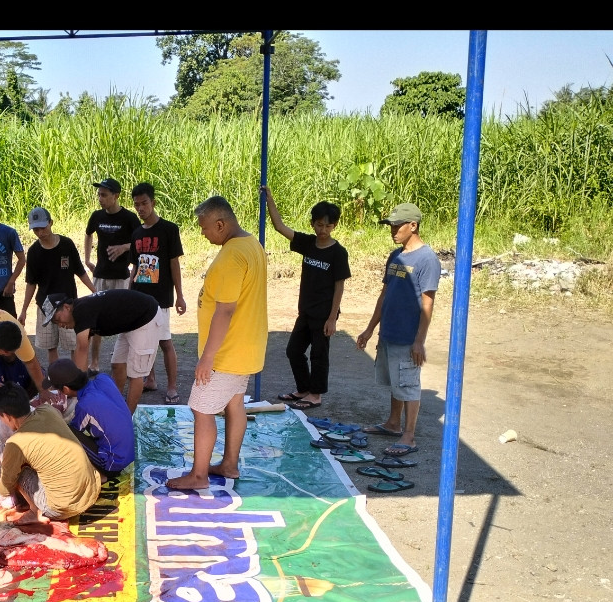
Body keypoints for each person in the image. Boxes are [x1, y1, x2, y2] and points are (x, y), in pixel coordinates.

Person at [166, 197, 267, 494]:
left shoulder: (232, 256)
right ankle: (229, 463)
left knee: (201, 409)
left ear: (220, 224)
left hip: (226, 353)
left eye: (204, 227)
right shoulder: (252, 245)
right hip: (245, 349)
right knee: (235, 404)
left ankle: (199, 475)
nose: (202, 233)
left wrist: (207, 358)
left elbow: (224, 310)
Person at [356, 205, 442, 444]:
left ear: (413, 225)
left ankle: (409, 435)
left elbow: (427, 303)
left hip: (407, 336)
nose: (393, 231)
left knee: (408, 383)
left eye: (397, 226)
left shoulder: (427, 259)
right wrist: (371, 328)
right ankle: (393, 424)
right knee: (396, 381)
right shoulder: (395, 256)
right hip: (388, 332)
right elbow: (385, 294)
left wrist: (419, 341)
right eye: (391, 226)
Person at [262, 186, 350, 407]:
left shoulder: (338, 253)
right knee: (293, 350)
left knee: (319, 355)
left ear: (334, 226)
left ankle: (316, 395)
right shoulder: (308, 244)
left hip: (324, 314)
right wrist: (269, 199)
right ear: (312, 223)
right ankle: (303, 389)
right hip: (306, 311)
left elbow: (339, 286)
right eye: (319, 225)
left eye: (328, 225)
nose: (323, 230)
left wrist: (332, 318)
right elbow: (279, 227)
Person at [0, 385, 102, 525]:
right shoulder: (48, 410)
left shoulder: (15, 443)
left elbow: (5, 489)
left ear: (7, 416)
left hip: (62, 508)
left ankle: (34, 512)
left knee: (16, 470)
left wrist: (5, 463)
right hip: (92, 491)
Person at [44, 286, 161, 413]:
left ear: (67, 307)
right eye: (55, 324)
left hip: (146, 317)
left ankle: (127, 417)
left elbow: (82, 348)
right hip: (130, 323)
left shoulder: (80, 311)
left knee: (135, 374)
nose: (60, 325)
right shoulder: (79, 312)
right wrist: (79, 385)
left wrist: (76, 387)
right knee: (117, 365)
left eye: (58, 319)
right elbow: (82, 351)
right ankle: (114, 406)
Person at [130, 183, 186, 402]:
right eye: (136, 205)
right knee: (144, 340)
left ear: (153, 202)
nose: (141, 208)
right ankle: (150, 379)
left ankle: (172, 387)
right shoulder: (135, 233)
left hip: (161, 297)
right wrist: (129, 294)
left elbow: (174, 264)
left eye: (144, 203)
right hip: (139, 296)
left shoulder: (169, 230)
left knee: (165, 342)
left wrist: (179, 295)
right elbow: (134, 267)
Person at [19, 209, 94, 372]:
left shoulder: (66, 244)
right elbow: (31, 283)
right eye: (36, 230)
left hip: (68, 304)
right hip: (45, 305)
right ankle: (56, 379)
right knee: (50, 346)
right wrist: (24, 310)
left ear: (51, 223)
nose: (40, 232)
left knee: (73, 344)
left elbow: (80, 271)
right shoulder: (33, 252)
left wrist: (95, 291)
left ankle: (75, 376)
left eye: (43, 228)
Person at [83, 181, 140, 370]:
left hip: (122, 275)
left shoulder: (129, 218)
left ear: (116, 196)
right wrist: (87, 258)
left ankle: (129, 363)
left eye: (104, 195)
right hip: (100, 274)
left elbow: (140, 242)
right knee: (96, 320)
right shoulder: (96, 216)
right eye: (99, 194)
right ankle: (94, 363)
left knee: (126, 319)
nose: (100, 199)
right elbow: (88, 234)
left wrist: (124, 247)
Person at [47, 360, 136, 476]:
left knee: (66, 433)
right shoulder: (104, 378)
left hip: (113, 464)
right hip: (127, 452)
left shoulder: (84, 406)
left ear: (66, 389)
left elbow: (72, 433)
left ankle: (99, 475)